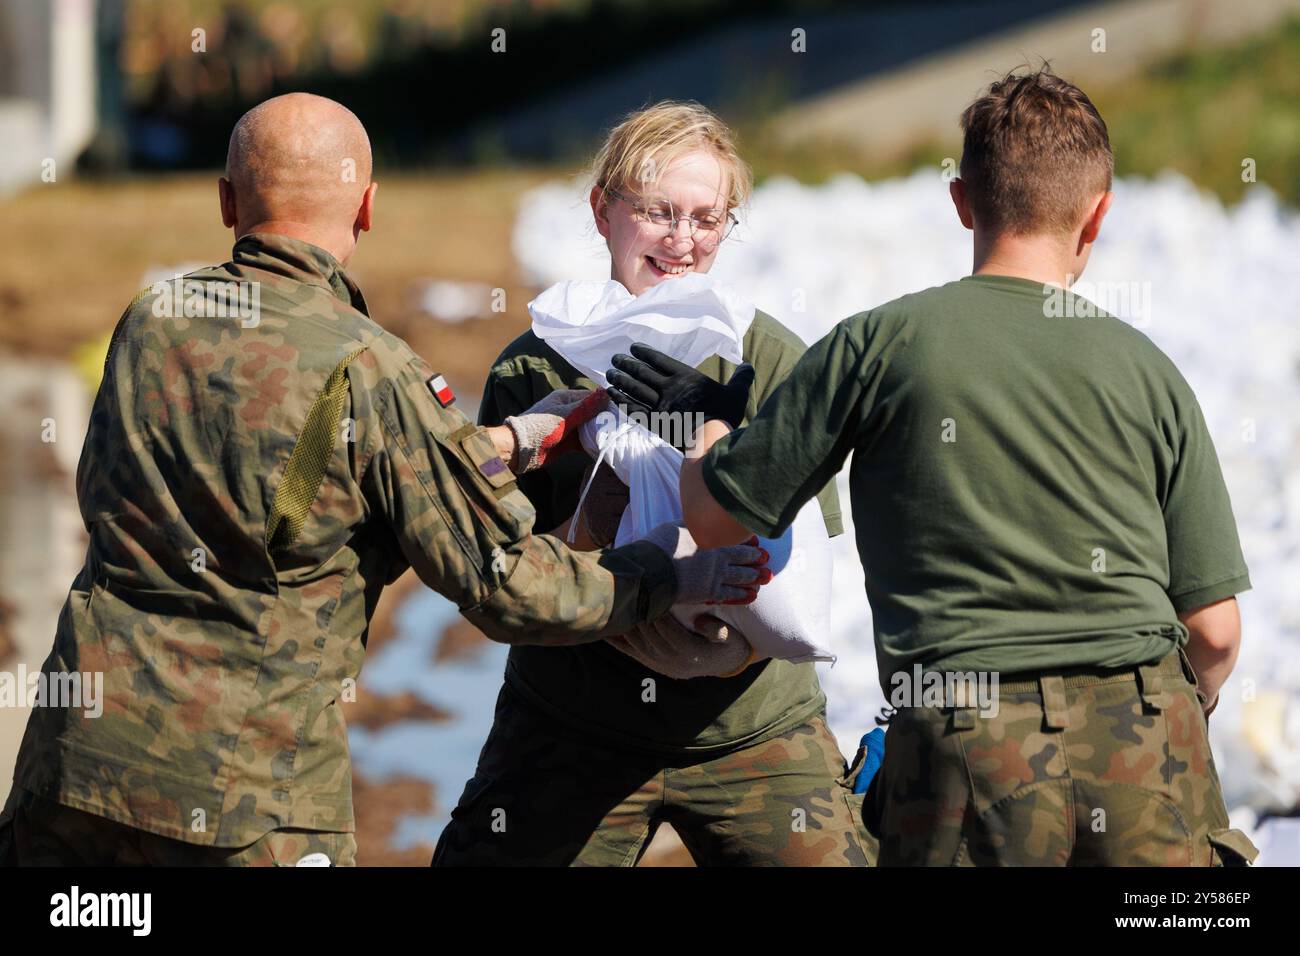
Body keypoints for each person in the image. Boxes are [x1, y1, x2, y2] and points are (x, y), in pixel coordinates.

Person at [0, 93, 765, 867]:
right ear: (367, 208)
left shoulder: (151, 318)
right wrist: (668, 574)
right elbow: (510, 588)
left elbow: (125, 491)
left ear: (226, 201)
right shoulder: (370, 367)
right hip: (248, 796)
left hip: (72, 773)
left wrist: (505, 443)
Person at [616, 69, 1259, 866]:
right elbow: (1216, 630)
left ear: (961, 202)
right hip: (1149, 740)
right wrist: (1160, 721)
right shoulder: (1149, 371)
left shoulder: (878, 345)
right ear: (1099, 213)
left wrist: (708, 421)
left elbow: (713, 518)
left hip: (966, 747)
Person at [433, 101, 871, 867]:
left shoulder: (765, 358)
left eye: (708, 218)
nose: (683, 241)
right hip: (573, 718)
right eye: (659, 212)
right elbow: (502, 570)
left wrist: (715, 436)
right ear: (604, 212)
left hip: (751, 726)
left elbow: (803, 559)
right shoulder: (536, 365)